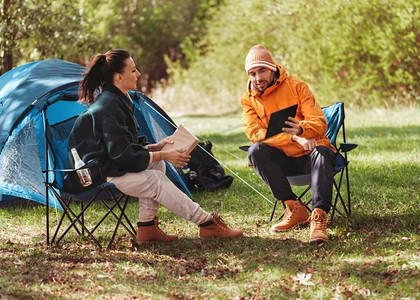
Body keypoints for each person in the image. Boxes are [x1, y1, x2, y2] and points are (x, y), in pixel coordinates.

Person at [64, 49, 242, 244]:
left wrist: (156, 148)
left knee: (157, 167)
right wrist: (164, 155)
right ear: (118, 77)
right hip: (91, 175)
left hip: (108, 165)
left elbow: (124, 147)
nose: (138, 74)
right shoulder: (109, 106)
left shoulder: (118, 100)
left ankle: (147, 229)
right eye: (133, 71)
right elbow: (121, 154)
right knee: (155, 177)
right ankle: (206, 223)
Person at [240, 45, 336, 243]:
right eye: (252, 73)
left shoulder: (297, 86)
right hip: (283, 159)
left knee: (323, 152)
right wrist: (293, 138)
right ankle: (294, 208)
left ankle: (318, 218)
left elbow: (319, 122)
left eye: (262, 71)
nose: (258, 78)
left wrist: (301, 129)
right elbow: (256, 134)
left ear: (273, 68)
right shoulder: (248, 100)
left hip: (311, 154)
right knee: (256, 150)